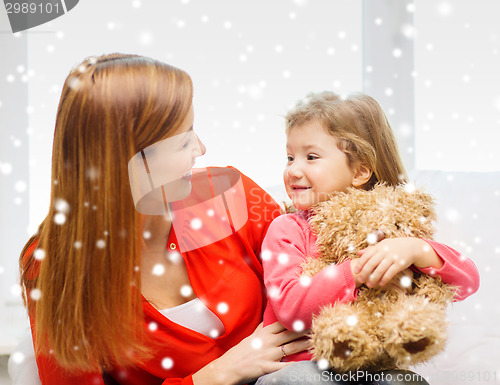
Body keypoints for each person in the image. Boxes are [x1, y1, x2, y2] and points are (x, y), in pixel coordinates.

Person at [16, 53, 311, 385]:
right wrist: (215, 375)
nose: (201, 148)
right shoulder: (54, 266)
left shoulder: (228, 194)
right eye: (183, 140)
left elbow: (318, 274)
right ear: (125, 159)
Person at [256, 92, 480, 384]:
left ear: (361, 170)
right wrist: (357, 270)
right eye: (289, 157)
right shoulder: (286, 228)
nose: (293, 169)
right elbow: (290, 309)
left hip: (374, 368)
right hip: (304, 365)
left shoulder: (393, 225)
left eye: (311, 157)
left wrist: (418, 250)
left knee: (405, 381)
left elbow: (467, 283)